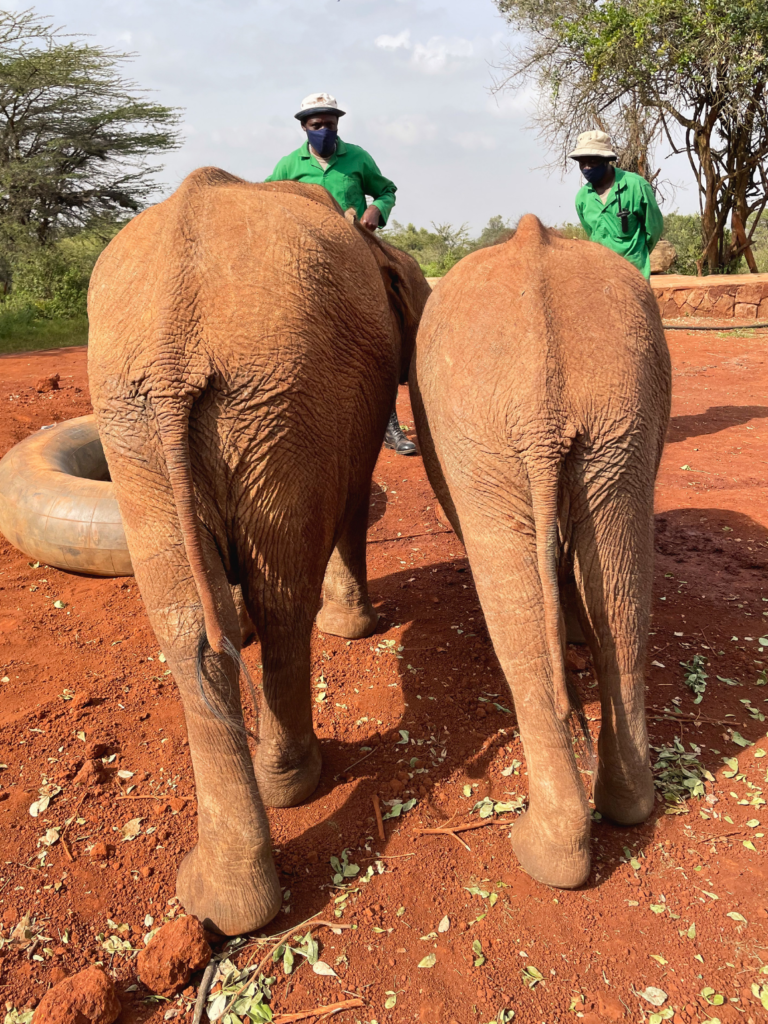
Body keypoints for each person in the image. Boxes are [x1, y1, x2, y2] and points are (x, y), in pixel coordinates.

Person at [265, 93, 416, 455]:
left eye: (329, 124)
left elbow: (386, 189)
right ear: (304, 127)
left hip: (359, 254)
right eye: (316, 126)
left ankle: (389, 423)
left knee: (381, 325)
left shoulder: (357, 157)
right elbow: (267, 201)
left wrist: (377, 209)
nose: (323, 131)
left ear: (338, 125)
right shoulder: (289, 166)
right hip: (306, 263)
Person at [570, 130, 663, 280]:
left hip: (634, 276)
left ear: (606, 160)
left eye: (592, 161)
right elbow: (591, 233)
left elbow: (654, 229)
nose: (586, 167)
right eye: (582, 162)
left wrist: (638, 254)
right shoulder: (582, 198)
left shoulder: (636, 186)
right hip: (601, 278)